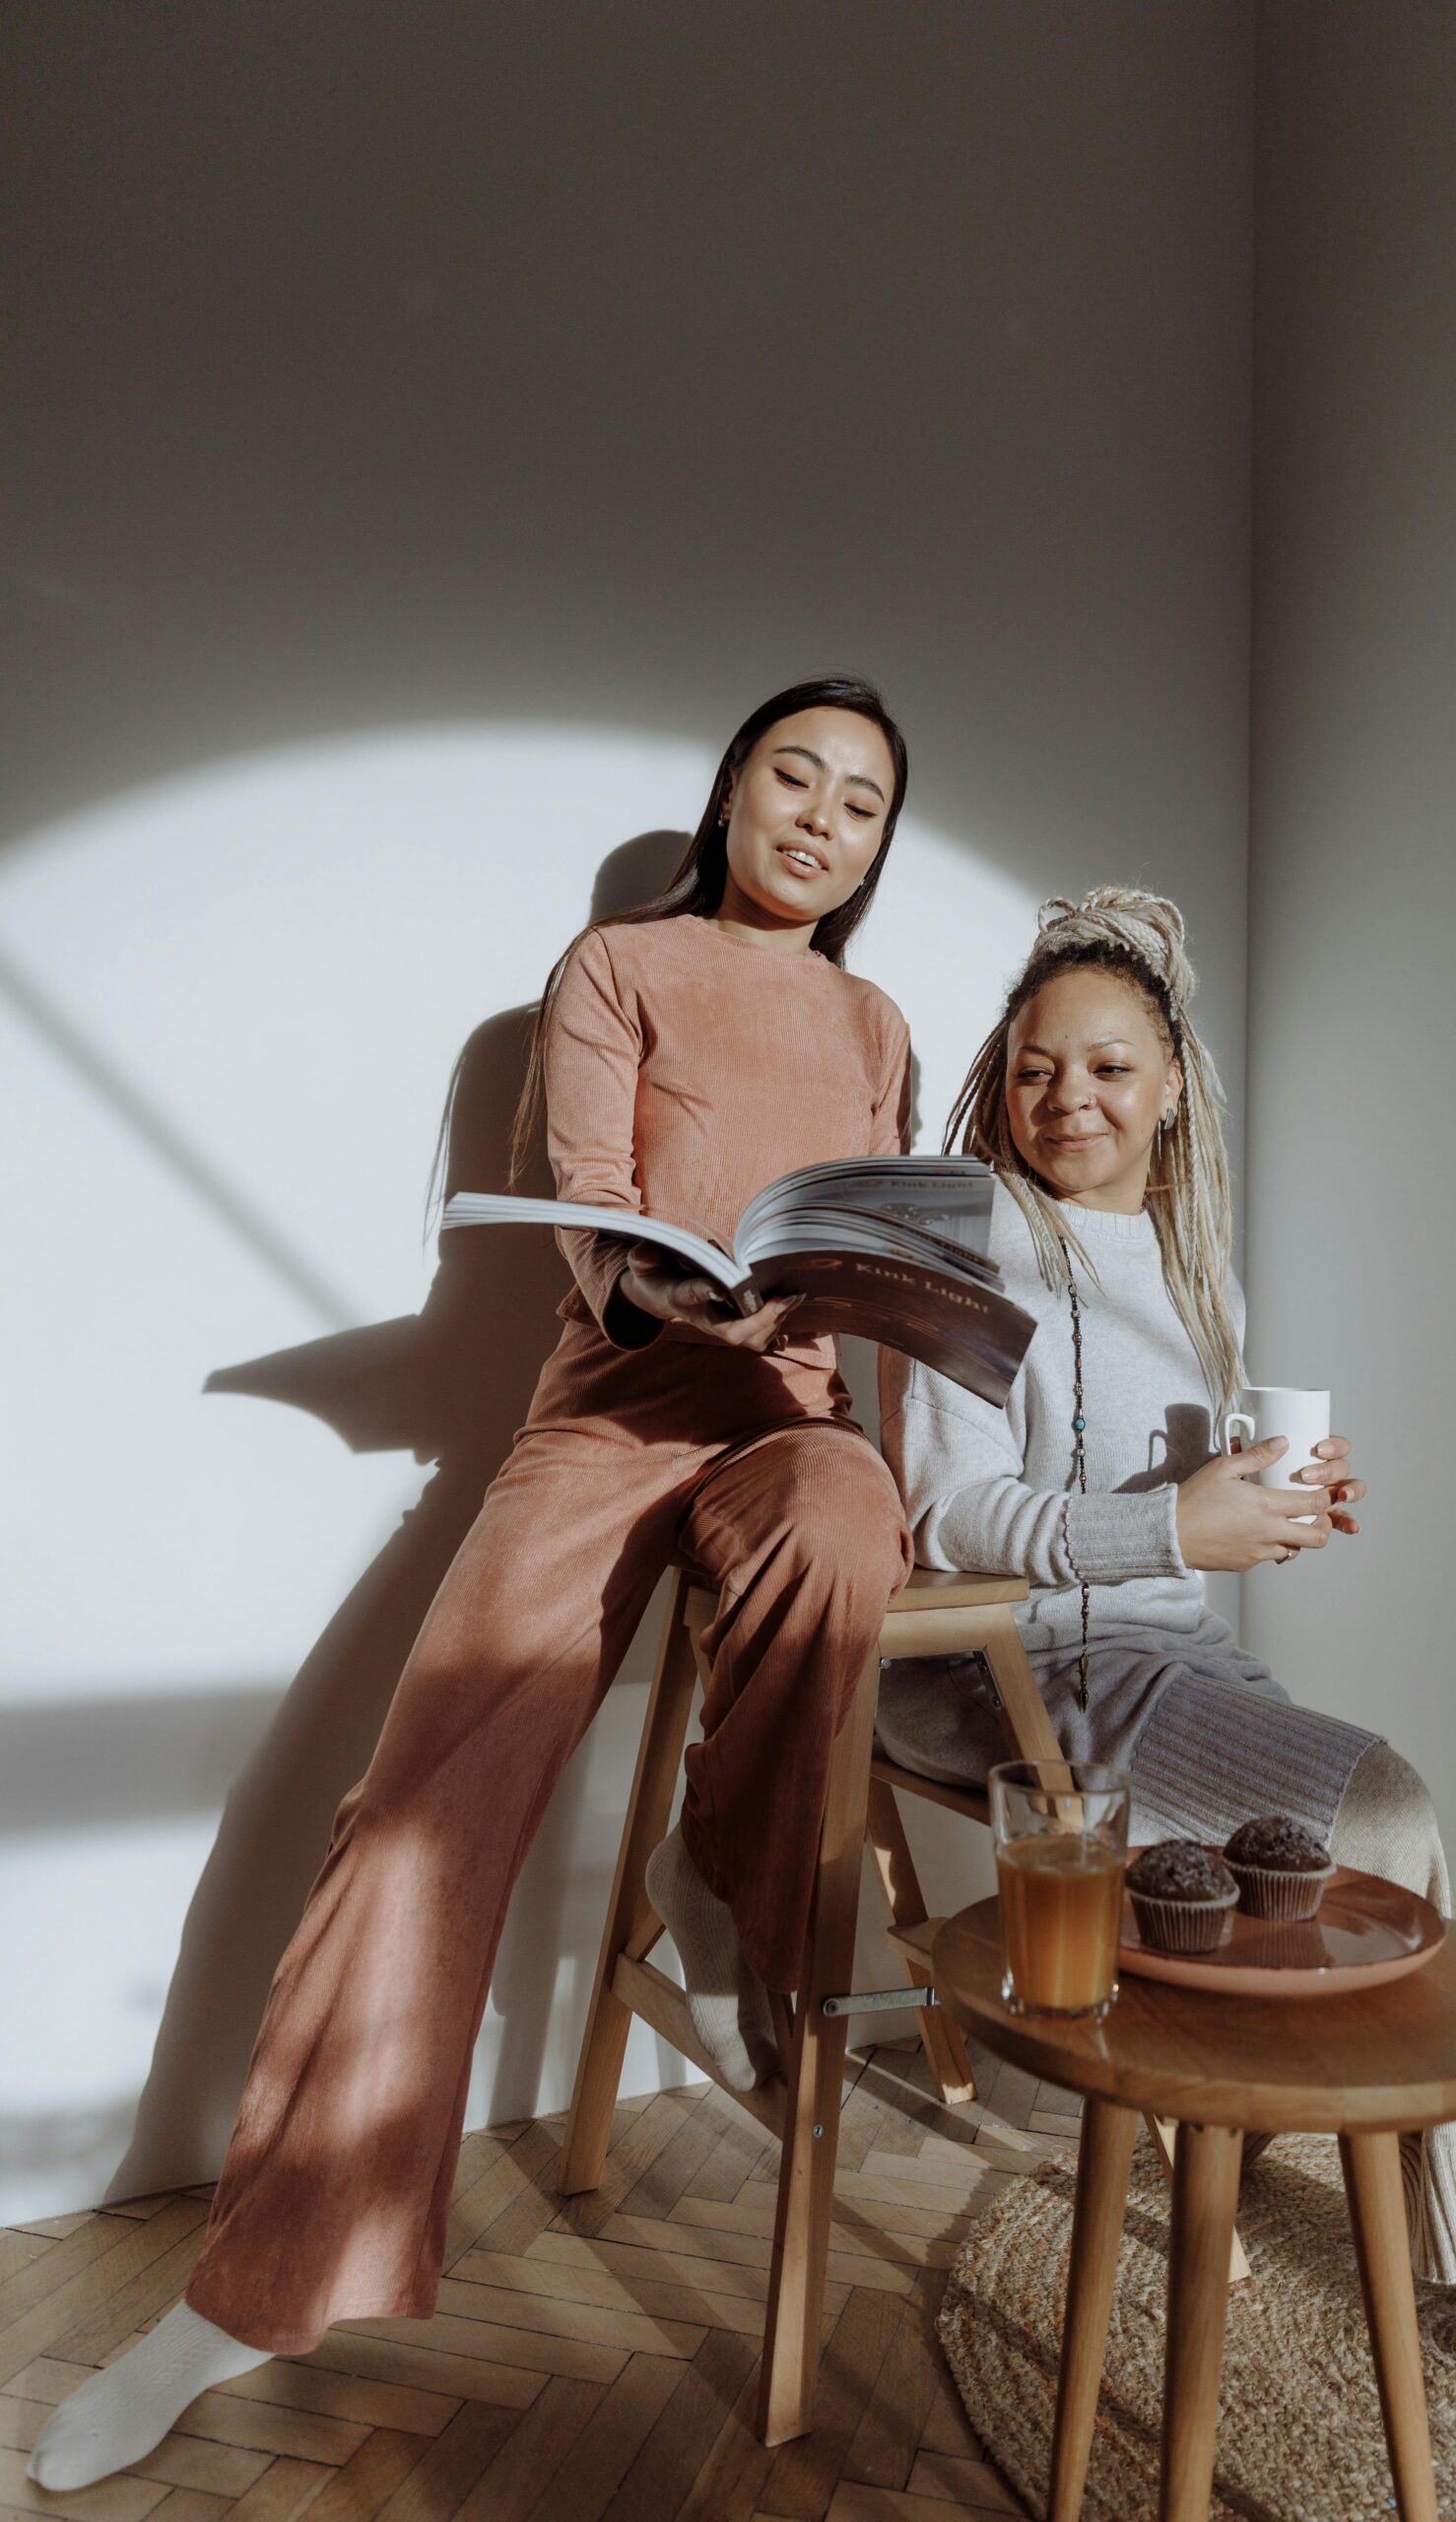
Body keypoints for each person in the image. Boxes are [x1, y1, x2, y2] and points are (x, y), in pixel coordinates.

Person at [32, 677, 918, 2492]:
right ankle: (243, 2295)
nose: (822, 817)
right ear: (731, 790)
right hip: (608, 1420)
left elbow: (877, 1243)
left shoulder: (881, 1020)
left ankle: (720, 1870)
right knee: (412, 1814)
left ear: (878, 848)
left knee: (850, 1515)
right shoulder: (615, 964)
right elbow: (589, 1207)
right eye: (792, 775)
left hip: (792, 1426)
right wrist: (671, 1288)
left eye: (862, 801)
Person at [875, 884, 1456, 2346]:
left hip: (1161, 1656)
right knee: (1387, 1814)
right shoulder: (963, 1238)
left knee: (1364, 1825)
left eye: (1105, 1067)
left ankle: (1349, 2164)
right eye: (1035, 1067)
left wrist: (1278, 1499)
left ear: (1170, 1093)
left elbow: (1185, 1511)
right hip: (1002, 1666)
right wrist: (1174, 1523)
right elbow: (945, 1518)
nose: (1065, 1095)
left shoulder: (1190, 1260)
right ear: (1000, 1079)